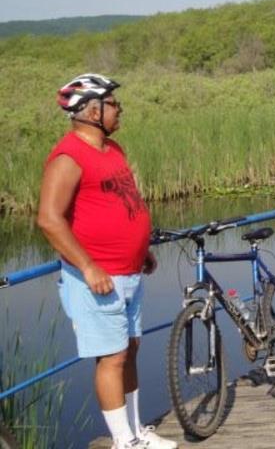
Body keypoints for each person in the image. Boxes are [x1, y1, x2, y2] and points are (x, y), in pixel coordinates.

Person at [37, 74, 177, 449]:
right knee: (112, 358)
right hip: (97, 278)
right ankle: (122, 442)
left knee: (130, 350)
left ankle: (136, 431)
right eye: (113, 103)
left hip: (128, 271)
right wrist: (87, 266)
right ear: (92, 110)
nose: (119, 109)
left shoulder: (113, 150)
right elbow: (49, 219)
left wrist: (140, 248)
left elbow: (121, 203)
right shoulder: (68, 156)